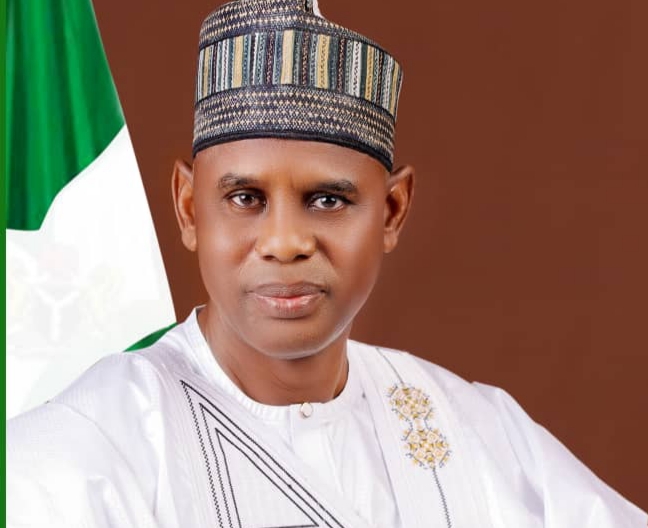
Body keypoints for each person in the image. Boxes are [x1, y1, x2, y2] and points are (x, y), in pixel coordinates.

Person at [7, 1, 647, 526]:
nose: (285, 242)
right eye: (245, 198)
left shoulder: (480, 433)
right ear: (188, 207)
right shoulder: (87, 450)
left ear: (392, 210)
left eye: (327, 200)